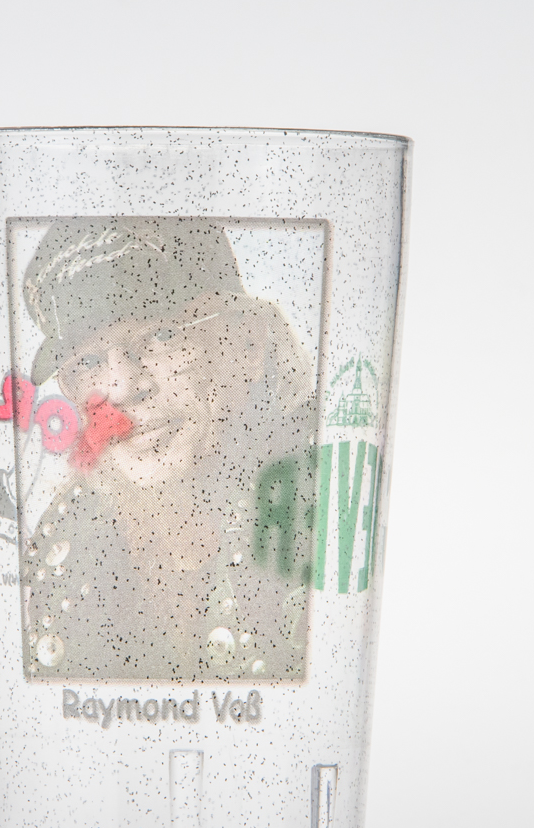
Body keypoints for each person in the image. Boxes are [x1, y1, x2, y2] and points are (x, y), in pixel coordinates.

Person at [19, 218, 317, 682]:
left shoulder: (321, 502)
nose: (122, 388)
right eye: (88, 362)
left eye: (161, 336)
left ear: (248, 344)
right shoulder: (69, 532)